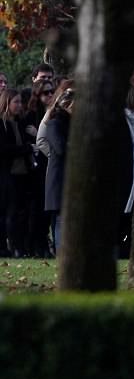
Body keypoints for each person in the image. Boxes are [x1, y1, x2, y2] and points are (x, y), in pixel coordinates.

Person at [36, 84, 73, 254]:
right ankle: (61, 253)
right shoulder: (55, 123)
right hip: (59, 179)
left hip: (68, 178)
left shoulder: (69, 124)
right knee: (60, 220)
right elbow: (60, 148)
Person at [23, 80, 55, 257]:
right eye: (46, 93)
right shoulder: (31, 116)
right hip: (37, 168)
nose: (50, 95)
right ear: (37, 95)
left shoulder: (54, 113)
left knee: (46, 210)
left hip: (49, 165)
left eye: (51, 92)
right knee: (36, 209)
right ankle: (35, 245)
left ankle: (43, 244)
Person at [0, 89, 33, 257]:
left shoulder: (21, 123)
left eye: (20, 102)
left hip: (23, 173)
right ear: (7, 103)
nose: (19, 105)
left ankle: (19, 246)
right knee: (9, 212)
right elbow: (4, 150)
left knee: (20, 212)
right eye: (16, 102)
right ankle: (9, 247)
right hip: (7, 174)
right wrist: (25, 149)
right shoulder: (2, 124)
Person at [117, 85, 134, 258]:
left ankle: (124, 250)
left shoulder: (133, 122)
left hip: (130, 177)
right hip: (123, 178)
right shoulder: (123, 122)